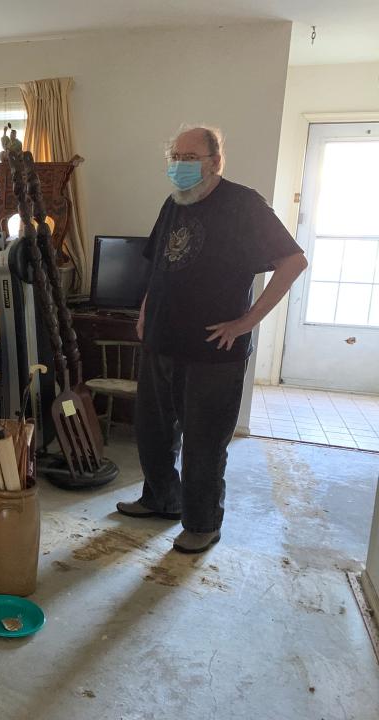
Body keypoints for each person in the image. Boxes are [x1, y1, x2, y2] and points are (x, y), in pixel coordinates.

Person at [117, 125, 308, 553]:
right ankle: (160, 498)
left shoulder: (244, 204)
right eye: (175, 156)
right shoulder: (173, 204)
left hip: (214, 352)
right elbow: (159, 266)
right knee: (153, 431)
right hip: (161, 342)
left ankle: (202, 523)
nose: (180, 165)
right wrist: (147, 311)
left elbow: (293, 260)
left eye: (190, 157)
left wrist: (247, 321)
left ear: (215, 161)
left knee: (204, 441)